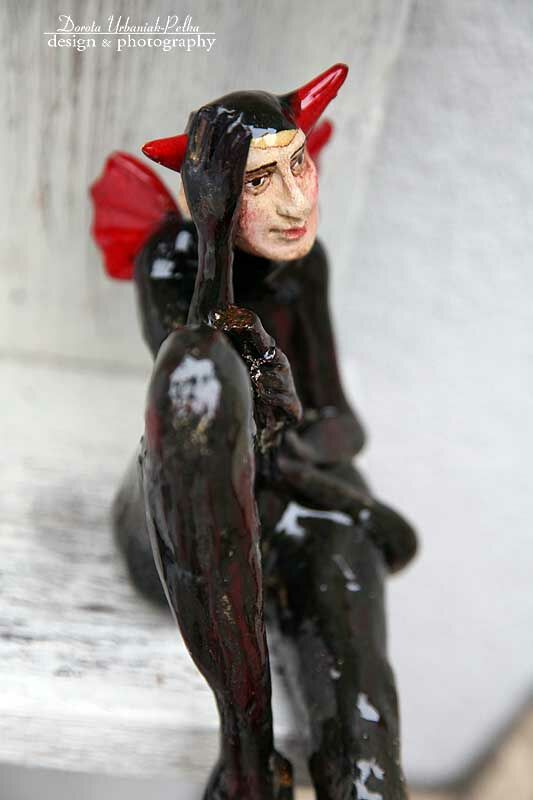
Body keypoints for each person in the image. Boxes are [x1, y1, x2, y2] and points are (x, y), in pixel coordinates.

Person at [92, 64, 417, 800]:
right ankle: (246, 755)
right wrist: (216, 264)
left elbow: (336, 425)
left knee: (360, 707)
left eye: (298, 165)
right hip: (189, 527)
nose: (296, 202)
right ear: (210, 197)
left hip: (294, 503)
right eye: (259, 182)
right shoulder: (170, 263)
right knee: (199, 373)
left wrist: (302, 444)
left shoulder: (306, 267)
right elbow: (196, 427)